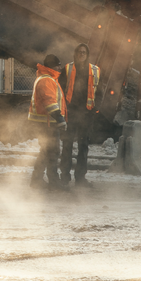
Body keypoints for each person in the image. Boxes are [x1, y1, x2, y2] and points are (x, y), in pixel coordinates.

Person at [58, 43, 100, 187]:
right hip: (70, 113)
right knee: (67, 145)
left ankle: (80, 178)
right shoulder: (68, 69)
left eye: (84, 52)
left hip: (86, 114)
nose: (81, 54)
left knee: (83, 146)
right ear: (75, 54)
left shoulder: (95, 70)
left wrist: (95, 109)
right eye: (79, 52)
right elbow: (61, 90)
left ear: (87, 55)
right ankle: (64, 176)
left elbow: (98, 91)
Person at [28, 54, 68, 190]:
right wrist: (60, 118)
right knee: (51, 151)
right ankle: (51, 182)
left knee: (48, 151)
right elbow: (50, 102)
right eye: (58, 65)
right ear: (52, 66)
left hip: (46, 123)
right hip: (47, 124)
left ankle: (38, 180)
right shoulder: (47, 80)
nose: (60, 67)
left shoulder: (47, 78)